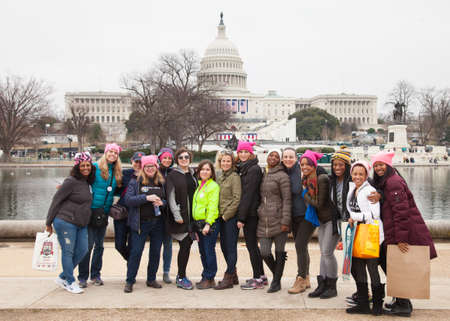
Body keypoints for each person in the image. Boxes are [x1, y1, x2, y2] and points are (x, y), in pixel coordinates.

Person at [371, 151, 437, 317]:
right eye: (376, 165)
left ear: (388, 165)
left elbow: (401, 213)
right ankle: (400, 300)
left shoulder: (393, 183)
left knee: (393, 266)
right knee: (392, 266)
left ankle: (403, 304)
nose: (378, 168)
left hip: (398, 234)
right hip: (393, 232)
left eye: (381, 164)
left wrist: (401, 239)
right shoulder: (389, 181)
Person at [45, 152, 95, 294]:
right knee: (68, 252)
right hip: (65, 221)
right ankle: (70, 282)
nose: (86, 168)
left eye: (88, 165)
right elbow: (56, 201)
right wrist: (48, 222)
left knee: (83, 250)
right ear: (77, 167)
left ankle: (63, 277)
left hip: (81, 223)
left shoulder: (87, 181)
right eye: (82, 165)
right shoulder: (71, 181)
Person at [78, 143, 123, 288]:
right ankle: (82, 277)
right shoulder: (95, 167)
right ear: (105, 152)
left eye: (115, 153)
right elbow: (81, 179)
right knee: (88, 246)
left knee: (99, 246)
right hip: (91, 210)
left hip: (104, 212)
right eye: (110, 151)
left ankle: (96, 275)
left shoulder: (117, 171)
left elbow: (116, 190)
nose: (113, 155)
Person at [345, 160, 384, 315]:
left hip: (371, 234)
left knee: (372, 268)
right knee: (358, 267)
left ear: (367, 175)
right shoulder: (353, 188)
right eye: (355, 174)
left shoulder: (370, 190)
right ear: (351, 175)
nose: (357, 176)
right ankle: (362, 303)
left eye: (361, 174)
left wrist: (355, 216)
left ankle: (377, 305)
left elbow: (375, 214)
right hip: (357, 233)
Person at [123, 155, 165, 293]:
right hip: (140, 223)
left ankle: (151, 279)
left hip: (157, 223)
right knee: (136, 252)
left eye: (152, 166)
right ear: (143, 168)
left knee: (155, 252)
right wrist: (146, 198)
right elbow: (128, 200)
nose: (150, 169)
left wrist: (161, 203)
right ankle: (129, 281)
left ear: (156, 167)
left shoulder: (161, 181)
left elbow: (166, 200)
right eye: (147, 166)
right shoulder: (135, 182)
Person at [300, 150, 338, 299]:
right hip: (322, 220)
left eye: (307, 164)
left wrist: (304, 193)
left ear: (314, 165)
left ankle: (332, 286)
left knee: (327, 253)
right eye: (302, 164)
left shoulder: (321, 178)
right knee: (323, 253)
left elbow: (319, 203)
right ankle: (322, 284)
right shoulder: (308, 179)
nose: (304, 167)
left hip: (330, 219)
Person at [257, 149, 291, 293]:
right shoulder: (263, 174)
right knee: (264, 252)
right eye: (271, 155)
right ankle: (278, 274)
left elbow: (287, 200)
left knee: (279, 251)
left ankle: (276, 282)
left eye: (276, 156)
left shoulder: (282, 176)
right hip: (263, 219)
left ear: (280, 160)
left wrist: (285, 221)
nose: (273, 157)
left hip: (279, 220)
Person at [282, 147, 314, 294]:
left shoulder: (302, 170)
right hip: (293, 215)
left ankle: (300, 279)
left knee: (300, 244)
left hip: (307, 214)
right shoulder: (282, 171)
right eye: (285, 157)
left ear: (296, 158)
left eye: (291, 157)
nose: (288, 159)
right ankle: (306, 277)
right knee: (302, 246)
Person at [165, 148, 198, 290]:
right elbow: (170, 196)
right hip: (180, 216)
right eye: (181, 158)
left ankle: (182, 275)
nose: (184, 159)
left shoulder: (193, 174)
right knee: (184, 245)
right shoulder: (172, 175)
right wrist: (176, 214)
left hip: (192, 216)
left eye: (186, 157)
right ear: (177, 160)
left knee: (187, 245)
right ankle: (180, 276)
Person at [235, 141, 266, 290]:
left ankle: (257, 278)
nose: (243, 155)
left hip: (251, 213)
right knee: (252, 245)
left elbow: (248, 194)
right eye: (240, 152)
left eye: (245, 152)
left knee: (252, 246)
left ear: (251, 153)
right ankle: (261, 275)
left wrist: (241, 217)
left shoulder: (253, 169)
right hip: (250, 211)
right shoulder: (245, 168)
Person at [214, 150, 242, 290]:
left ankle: (229, 276)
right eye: (223, 161)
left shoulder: (234, 177)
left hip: (229, 217)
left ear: (232, 163)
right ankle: (234, 273)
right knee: (224, 247)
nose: (225, 163)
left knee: (230, 247)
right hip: (220, 216)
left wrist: (226, 216)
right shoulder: (220, 176)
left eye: (228, 161)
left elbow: (237, 199)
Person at [192, 160, 221, 289]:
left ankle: (210, 277)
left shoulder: (213, 186)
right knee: (202, 251)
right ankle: (205, 275)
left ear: (212, 172)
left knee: (209, 251)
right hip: (198, 223)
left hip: (208, 223)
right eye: (202, 169)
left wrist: (208, 224)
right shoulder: (198, 185)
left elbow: (213, 206)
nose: (204, 172)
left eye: (207, 169)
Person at [114, 151, 145, 261]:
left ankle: (131, 272)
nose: (138, 164)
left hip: (136, 214)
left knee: (133, 246)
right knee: (119, 245)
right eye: (136, 161)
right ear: (132, 161)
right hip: (122, 213)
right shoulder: (124, 174)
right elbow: (113, 189)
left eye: (141, 162)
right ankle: (131, 262)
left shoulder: (147, 175)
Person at [158, 147, 175, 284]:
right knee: (156, 245)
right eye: (165, 158)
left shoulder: (174, 173)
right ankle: (153, 271)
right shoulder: (154, 171)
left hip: (169, 213)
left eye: (169, 158)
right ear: (160, 158)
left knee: (168, 244)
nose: (167, 160)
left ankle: (166, 271)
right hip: (157, 213)